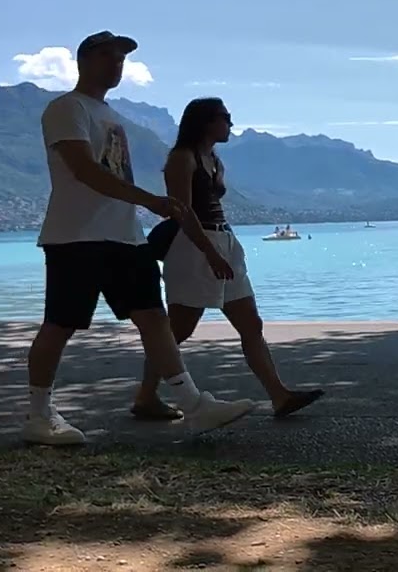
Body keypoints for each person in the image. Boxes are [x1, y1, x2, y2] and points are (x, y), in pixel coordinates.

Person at [24, 31, 255, 445]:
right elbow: (85, 171)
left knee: (153, 317)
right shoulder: (67, 108)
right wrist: (149, 200)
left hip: (126, 236)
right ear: (84, 60)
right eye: (108, 56)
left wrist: (140, 210)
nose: (117, 63)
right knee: (60, 325)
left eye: (121, 58)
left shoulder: (110, 114)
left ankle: (193, 406)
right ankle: (39, 415)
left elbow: (111, 173)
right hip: (76, 236)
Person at [132, 97, 325, 420]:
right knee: (178, 329)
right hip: (193, 247)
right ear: (205, 122)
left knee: (251, 323)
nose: (231, 124)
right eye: (225, 117)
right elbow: (182, 211)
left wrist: (224, 249)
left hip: (224, 241)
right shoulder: (183, 158)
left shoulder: (214, 160)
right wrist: (210, 253)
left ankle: (279, 396)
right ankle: (146, 395)